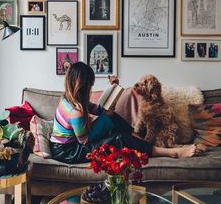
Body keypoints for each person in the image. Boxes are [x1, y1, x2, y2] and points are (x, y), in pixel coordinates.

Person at [50, 62, 197, 164]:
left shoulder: (71, 100)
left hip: (71, 145)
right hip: (69, 152)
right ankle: (173, 153)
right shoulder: (75, 111)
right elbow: (85, 142)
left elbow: (96, 108)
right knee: (119, 139)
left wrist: (110, 93)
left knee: (112, 117)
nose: (91, 88)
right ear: (82, 86)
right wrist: (104, 119)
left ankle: (137, 138)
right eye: (90, 85)